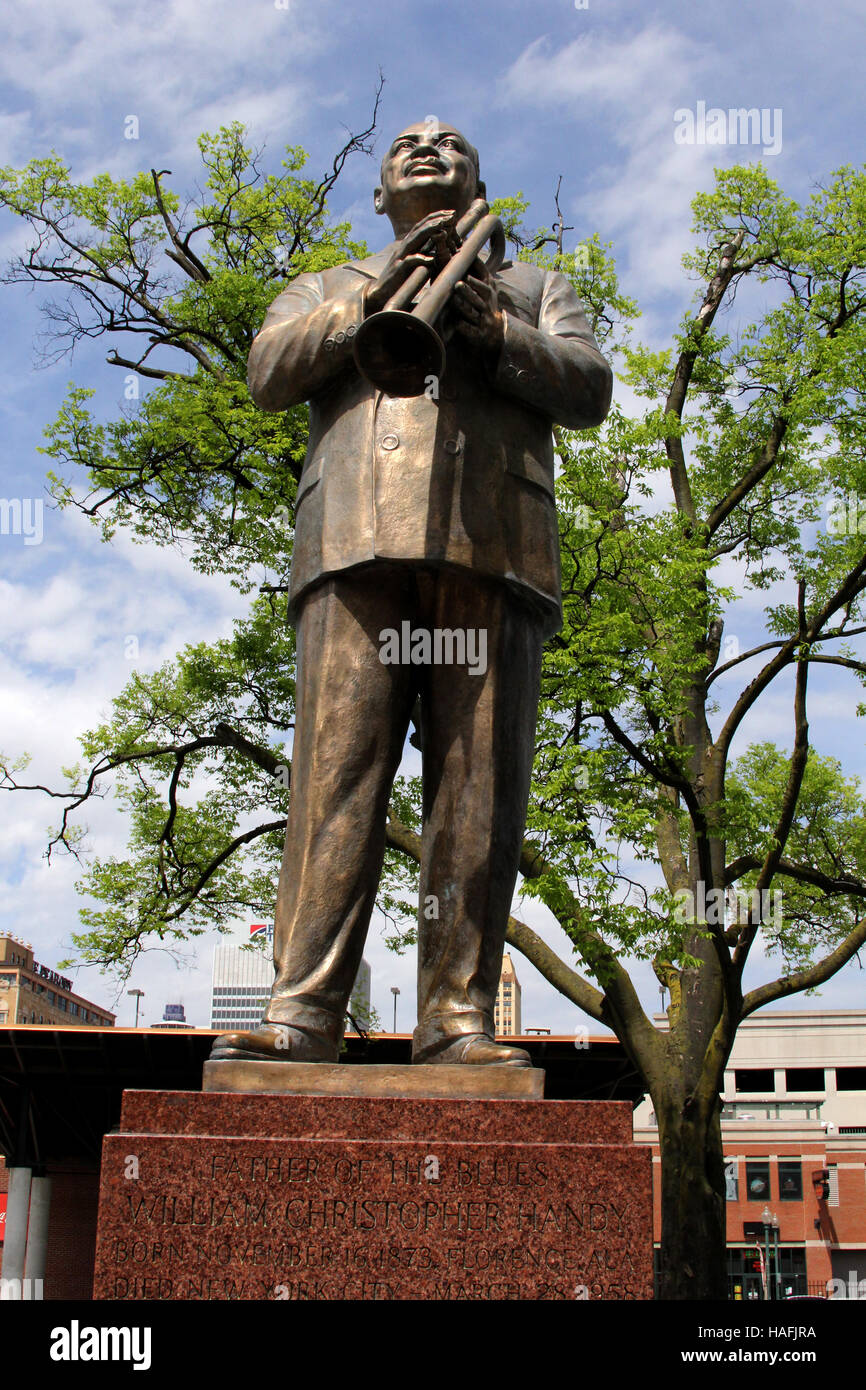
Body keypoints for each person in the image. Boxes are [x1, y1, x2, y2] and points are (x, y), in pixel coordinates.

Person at [210, 121, 612, 1067]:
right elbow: (269, 374)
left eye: (451, 141)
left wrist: (498, 330)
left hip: (492, 545)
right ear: (380, 188)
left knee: (477, 791)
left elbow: (590, 388)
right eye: (406, 143)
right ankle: (302, 1014)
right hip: (352, 540)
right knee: (333, 782)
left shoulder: (533, 287)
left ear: (479, 177)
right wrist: (372, 309)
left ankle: (457, 1018)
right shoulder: (327, 284)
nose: (427, 147)